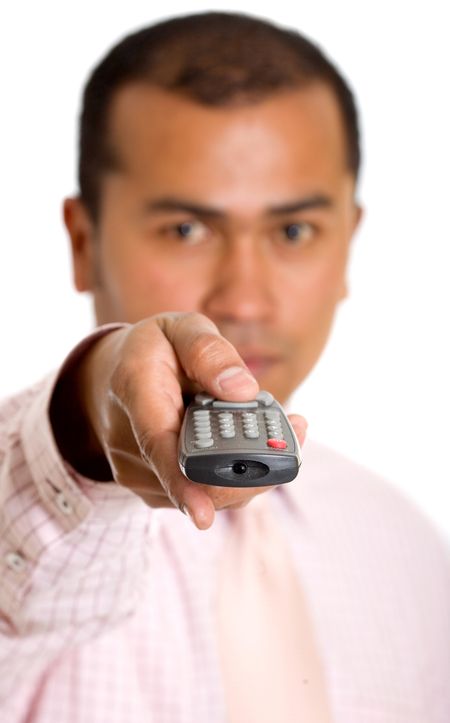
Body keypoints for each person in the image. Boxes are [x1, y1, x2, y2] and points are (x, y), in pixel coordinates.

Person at [0, 10, 449, 723]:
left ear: (348, 243)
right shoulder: (22, 508)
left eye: (294, 230)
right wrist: (85, 423)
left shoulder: (411, 554)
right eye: (186, 229)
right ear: (83, 242)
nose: (243, 297)